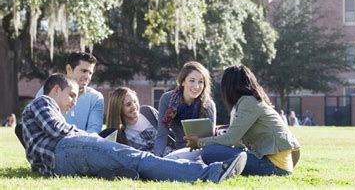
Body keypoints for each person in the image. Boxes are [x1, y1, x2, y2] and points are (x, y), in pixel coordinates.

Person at [21, 73, 246, 183]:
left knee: (133, 164)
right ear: (55, 90)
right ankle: (211, 173)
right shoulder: (43, 102)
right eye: (71, 95)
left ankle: (116, 174)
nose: (73, 101)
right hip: (68, 150)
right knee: (137, 158)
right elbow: (57, 130)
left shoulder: (41, 114)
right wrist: (88, 136)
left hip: (61, 164)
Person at [186, 64, 300, 176]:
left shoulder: (248, 102)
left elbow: (231, 138)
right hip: (278, 165)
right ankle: (228, 167)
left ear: (229, 86)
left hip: (273, 166)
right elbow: (237, 140)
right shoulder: (253, 101)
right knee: (213, 150)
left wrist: (199, 142)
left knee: (209, 152)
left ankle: (225, 169)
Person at [155, 61, 216, 158]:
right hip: (180, 151)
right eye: (192, 80)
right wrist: (156, 158)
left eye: (201, 82)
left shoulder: (208, 105)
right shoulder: (167, 99)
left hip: (204, 152)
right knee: (171, 159)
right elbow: (162, 136)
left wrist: (198, 142)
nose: (196, 86)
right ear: (183, 82)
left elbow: (211, 139)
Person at [36, 51, 104, 133]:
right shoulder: (50, 90)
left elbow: (94, 131)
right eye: (83, 71)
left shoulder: (96, 98)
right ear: (69, 69)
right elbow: (43, 126)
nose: (87, 77)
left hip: (84, 144)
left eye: (90, 73)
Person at [105, 87, 161, 154]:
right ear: (119, 109)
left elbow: (168, 131)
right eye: (128, 105)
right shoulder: (119, 137)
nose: (134, 106)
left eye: (135, 101)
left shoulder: (148, 112)